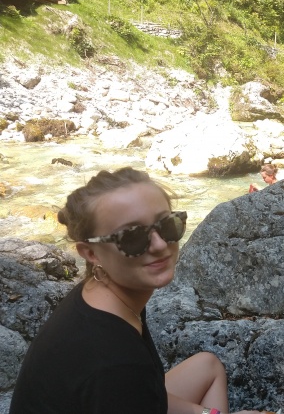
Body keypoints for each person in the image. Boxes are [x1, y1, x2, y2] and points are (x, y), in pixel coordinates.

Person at [10, 167, 264, 414]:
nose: (160, 244)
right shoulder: (115, 363)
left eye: (167, 224)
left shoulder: (103, 296)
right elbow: (127, 385)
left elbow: (145, 396)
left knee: (207, 365)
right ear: (90, 253)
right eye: (132, 237)